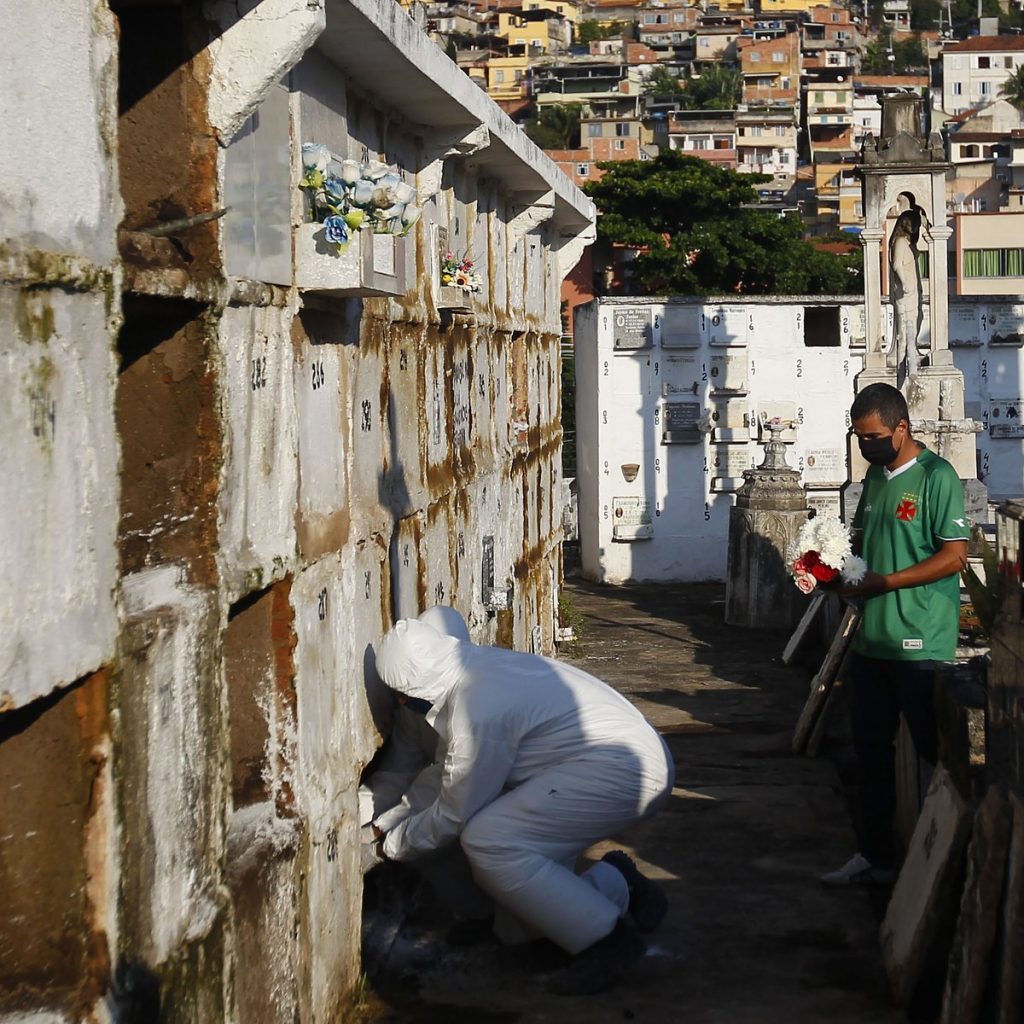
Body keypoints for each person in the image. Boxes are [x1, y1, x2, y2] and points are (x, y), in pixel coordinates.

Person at [370, 617, 675, 994]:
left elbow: (454, 811)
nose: (401, 703)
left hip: (624, 770)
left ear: (418, 683)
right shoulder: (473, 670)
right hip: (619, 759)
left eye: (401, 693)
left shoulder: (474, 707)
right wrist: (387, 820)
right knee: (524, 930)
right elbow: (448, 778)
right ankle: (617, 882)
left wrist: (393, 846)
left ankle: (610, 943)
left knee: (490, 840)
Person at [822, 383, 969, 887]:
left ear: (901, 428)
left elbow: (954, 556)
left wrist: (887, 582)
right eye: (860, 437)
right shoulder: (875, 477)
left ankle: (944, 861)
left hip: (920, 643)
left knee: (935, 752)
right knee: (871, 752)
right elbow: (862, 545)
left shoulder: (936, 477)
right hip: (874, 640)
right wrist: (834, 573)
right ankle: (876, 857)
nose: (867, 445)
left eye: (874, 437)